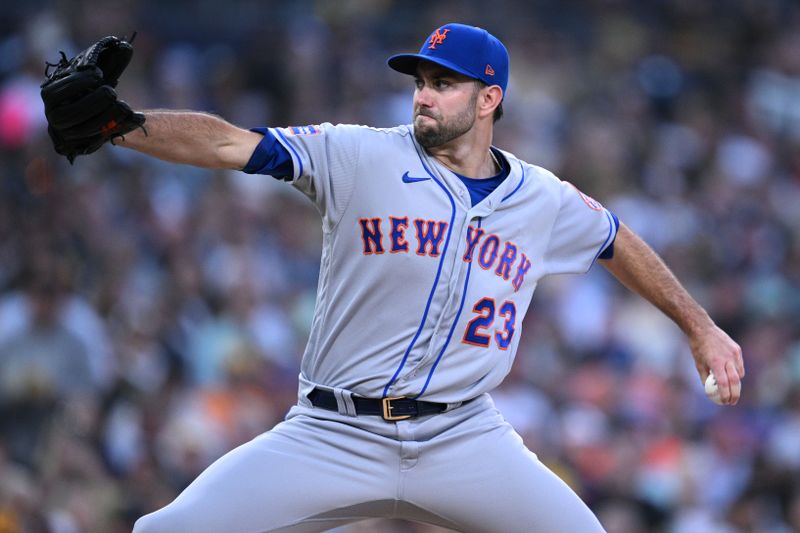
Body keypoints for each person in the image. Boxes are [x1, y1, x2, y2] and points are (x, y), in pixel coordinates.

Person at [59, 23, 745, 533]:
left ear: (488, 100)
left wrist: (700, 325)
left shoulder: (541, 197)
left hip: (463, 436)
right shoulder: (358, 153)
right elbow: (232, 143)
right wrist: (128, 126)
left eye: (443, 83)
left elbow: (615, 239)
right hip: (331, 430)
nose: (424, 96)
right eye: (419, 81)